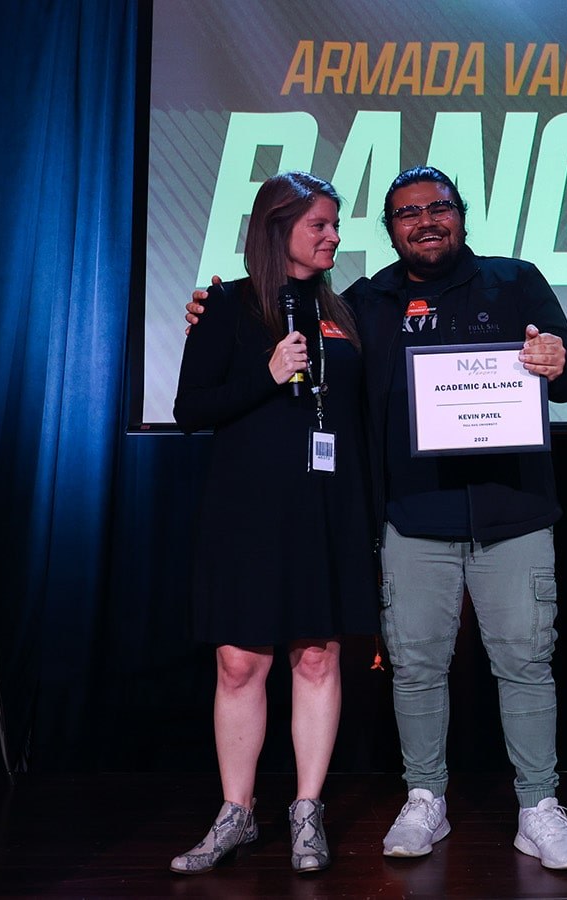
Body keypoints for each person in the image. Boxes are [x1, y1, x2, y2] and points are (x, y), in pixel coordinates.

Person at [186, 165, 567, 871]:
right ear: (393, 228)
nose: (425, 220)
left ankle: (540, 806)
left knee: (526, 663)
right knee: (414, 669)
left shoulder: (516, 279)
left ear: (462, 215)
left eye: (439, 207)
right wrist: (218, 313)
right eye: (407, 212)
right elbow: (237, 371)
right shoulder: (362, 303)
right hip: (411, 515)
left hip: (514, 511)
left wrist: (561, 359)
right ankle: (424, 799)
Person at [169, 171, 378, 876]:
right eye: (320, 224)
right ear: (276, 227)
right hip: (246, 513)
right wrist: (265, 373)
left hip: (327, 507)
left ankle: (307, 811)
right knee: (239, 662)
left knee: (317, 656)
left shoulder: (344, 311)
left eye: (335, 225)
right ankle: (237, 813)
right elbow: (191, 409)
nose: (333, 237)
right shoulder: (225, 305)